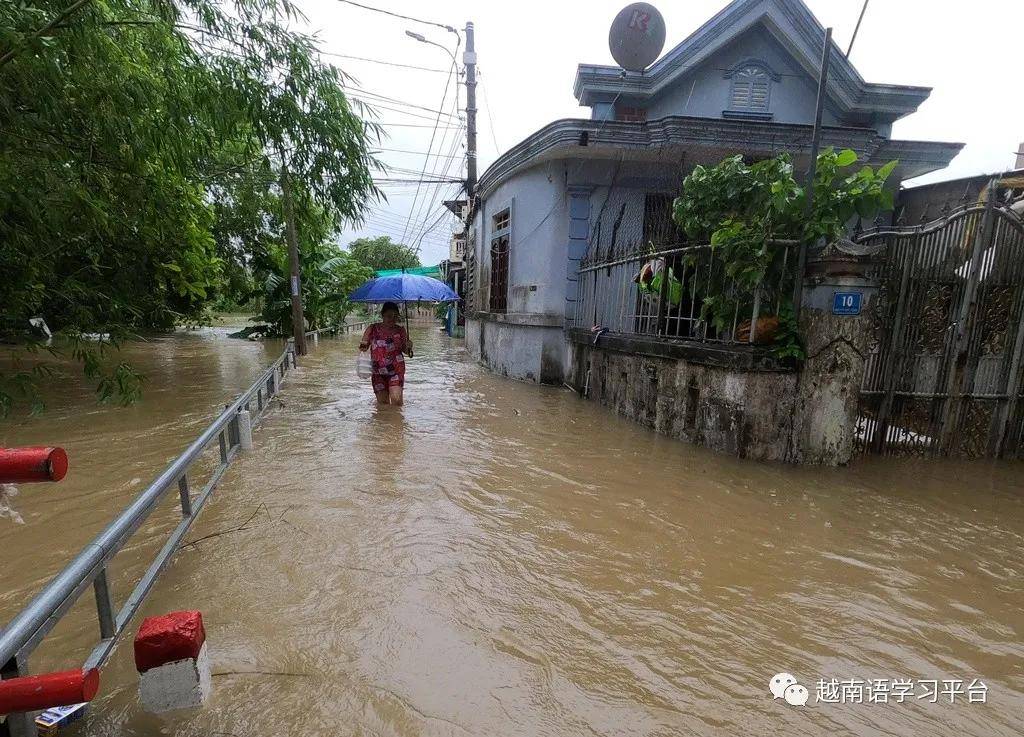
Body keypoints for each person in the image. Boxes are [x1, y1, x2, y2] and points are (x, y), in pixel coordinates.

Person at [359, 302, 413, 406]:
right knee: (383, 404)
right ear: (382, 315)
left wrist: (409, 346)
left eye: (395, 316)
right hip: (377, 372)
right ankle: (384, 422)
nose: (392, 319)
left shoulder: (401, 330)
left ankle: (397, 421)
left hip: (396, 371)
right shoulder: (372, 329)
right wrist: (363, 345)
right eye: (389, 316)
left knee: (396, 401)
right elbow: (363, 348)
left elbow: (405, 351)